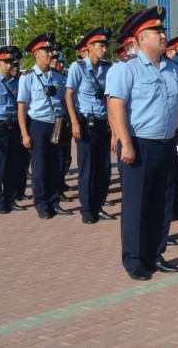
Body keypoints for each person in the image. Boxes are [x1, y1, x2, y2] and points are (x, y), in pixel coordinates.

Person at [106, 6, 178, 281]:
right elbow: (116, 105)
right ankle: (134, 259)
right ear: (141, 38)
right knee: (136, 206)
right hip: (140, 145)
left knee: (162, 204)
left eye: (162, 30)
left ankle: (156, 254)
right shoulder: (126, 68)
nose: (163, 34)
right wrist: (126, 143)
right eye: (156, 31)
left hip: (167, 144)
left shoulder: (172, 68)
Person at [17, 32, 72, 219]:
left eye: (50, 50)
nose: (50, 54)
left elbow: (64, 101)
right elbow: (22, 107)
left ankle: (54, 200)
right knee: (40, 166)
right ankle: (41, 203)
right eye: (45, 50)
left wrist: (70, 120)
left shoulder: (57, 76)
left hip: (57, 123)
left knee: (56, 165)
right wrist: (25, 133)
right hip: (39, 125)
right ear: (36, 54)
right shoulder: (28, 77)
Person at [65, 27, 115, 224]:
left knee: (103, 168)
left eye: (105, 46)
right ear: (90, 47)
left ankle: (98, 205)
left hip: (103, 123)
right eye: (101, 46)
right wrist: (75, 122)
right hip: (85, 124)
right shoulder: (77, 67)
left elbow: (110, 97)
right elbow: (69, 95)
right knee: (87, 168)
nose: (104, 49)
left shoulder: (107, 68)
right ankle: (86, 209)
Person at [0, 45, 26, 214]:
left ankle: (10, 199)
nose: (10, 65)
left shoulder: (17, 82)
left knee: (13, 166)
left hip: (14, 126)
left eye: (11, 61)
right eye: (6, 62)